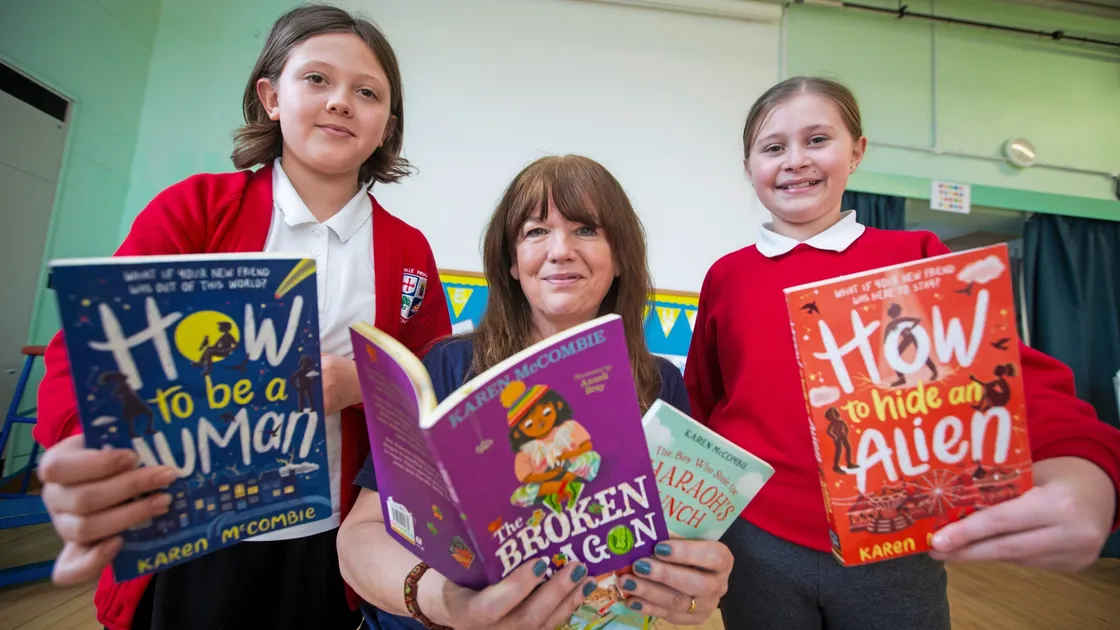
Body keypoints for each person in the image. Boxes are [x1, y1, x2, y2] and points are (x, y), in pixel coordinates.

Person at [33, 6, 450, 630]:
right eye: (316, 79)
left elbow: (430, 382)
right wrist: (80, 447)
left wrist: (359, 384)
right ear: (271, 96)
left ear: (386, 125)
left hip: (325, 539)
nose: (341, 102)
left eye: (366, 92)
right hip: (192, 532)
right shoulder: (197, 209)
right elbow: (92, 351)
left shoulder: (407, 249)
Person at [685, 75, 1120, 629]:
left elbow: (1006, 378)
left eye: (818, 139)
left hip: (893, 542)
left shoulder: (914, 257)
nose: (795, 160)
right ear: (749, 166)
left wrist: (1087, 468)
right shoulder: (727, 276)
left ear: (857, 152)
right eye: (773, 148)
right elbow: (707, 401)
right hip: (757, 542)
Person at [337, 155, 734, 629]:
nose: (560, 250)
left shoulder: (659, 382)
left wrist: (692, 590)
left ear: (621, 258)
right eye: (535, 231)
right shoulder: (449, 365)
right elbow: (360, 536)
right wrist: (450, 605)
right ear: (510, 262)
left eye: (586, 229)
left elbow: (675, 543)